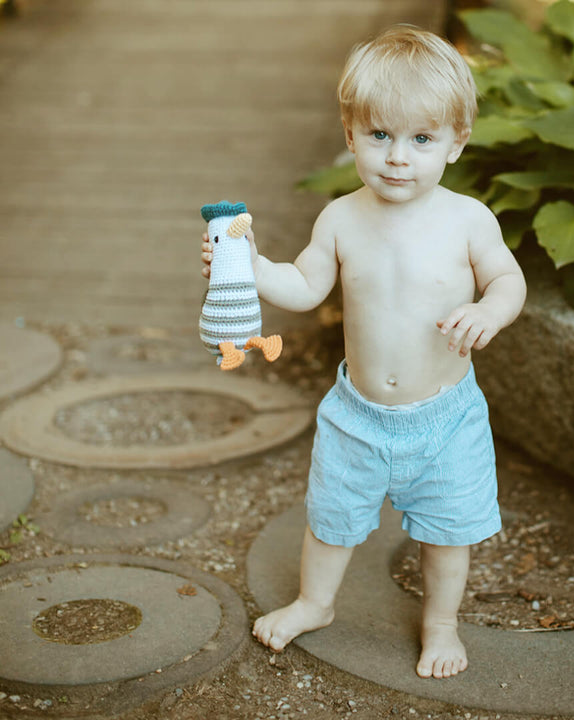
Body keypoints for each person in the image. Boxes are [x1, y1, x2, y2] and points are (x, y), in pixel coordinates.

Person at [201, 25, 526, 680]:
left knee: (446, 533)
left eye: (421, 139)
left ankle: (440, 627)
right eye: (379, 135)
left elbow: (509, 279)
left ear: (455, 143)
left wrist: (490, 310)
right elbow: (303, 285)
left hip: (445, 419)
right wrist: (249, 267)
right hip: (358, 415)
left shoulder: (468, 221)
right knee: (330, 520)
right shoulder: (342, 219)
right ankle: (314, 603)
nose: (397, 157)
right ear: (349, 134)